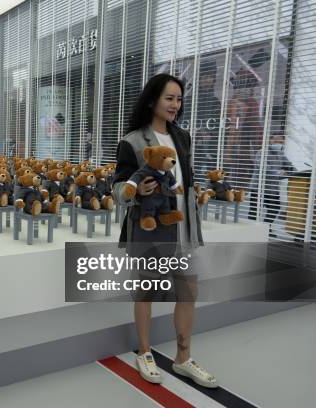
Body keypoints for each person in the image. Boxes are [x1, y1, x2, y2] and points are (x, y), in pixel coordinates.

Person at [112, 74, 218, 388]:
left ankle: (183, 359)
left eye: (179, 99)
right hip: (150, 230)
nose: (175, 105)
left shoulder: (182, 137)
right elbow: (117, 187)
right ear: (152, 100)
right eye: (169, 98)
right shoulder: (133, 141)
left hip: (184, 226)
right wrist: (136, 190)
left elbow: (183, 179)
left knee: (189, 293)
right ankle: (144, 353)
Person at [248, 133, 296, 231]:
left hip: (272, 188)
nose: (278, 143)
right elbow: (263, 167)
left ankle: (265, 228)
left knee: (275, 208)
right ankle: (251, 230)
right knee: (254, 210)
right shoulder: (262, 152)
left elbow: (289, 165)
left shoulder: (281, 154)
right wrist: (278, 172)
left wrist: (296, 172)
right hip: (259, 187)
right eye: (275, 141)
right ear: (270, 141)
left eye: (280, 142)